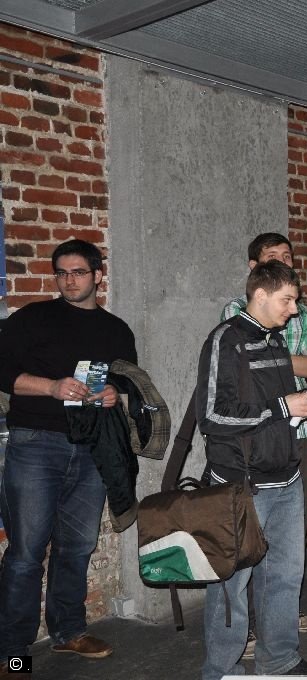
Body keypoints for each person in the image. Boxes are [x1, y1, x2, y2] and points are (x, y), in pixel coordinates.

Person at [0, 239, 137, 668]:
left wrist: (114, 393)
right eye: (61, 273)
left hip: (92, 445)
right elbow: (2, 373)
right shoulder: (32, 318)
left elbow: (127, 379)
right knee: (26, 553)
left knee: (77, 546)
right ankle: (12, 653)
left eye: (78, 272)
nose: (69, 280)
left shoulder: (116, 329)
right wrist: (51, 387)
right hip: (36, 443)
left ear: (98, 275)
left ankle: (68, 631)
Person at [197, 261, 307, 679]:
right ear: (260, 295)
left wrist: (303, 405)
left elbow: (275, 414)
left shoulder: (275, 341)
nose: (293, 309)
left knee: (285, 578)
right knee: (230, 586)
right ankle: (221, 670)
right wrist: (284, 405)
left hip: (286, 477)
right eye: (287, 300)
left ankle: (279, 661)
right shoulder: (224, 340)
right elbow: (212, 416)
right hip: (242, 485)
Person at [221, 232, 307, 644]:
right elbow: (245, 364)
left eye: (288, 255)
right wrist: (286, 367)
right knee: (248, 536)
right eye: (272, 256)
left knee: (288, 535)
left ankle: (281, 618)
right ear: (255, 269)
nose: (283, 260)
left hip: (301, 433)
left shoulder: (300, 310)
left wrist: (274, 360)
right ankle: (245, 625)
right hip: (257, 435)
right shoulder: (235, 313)